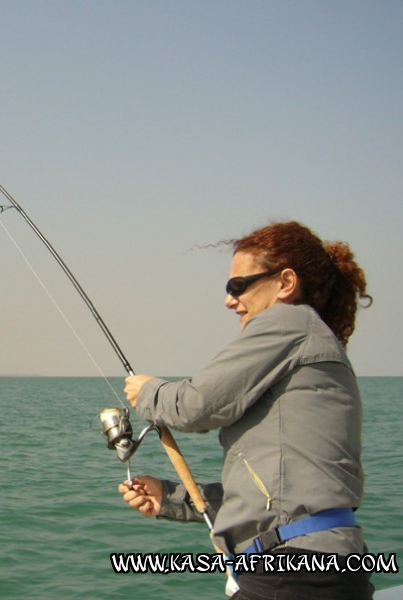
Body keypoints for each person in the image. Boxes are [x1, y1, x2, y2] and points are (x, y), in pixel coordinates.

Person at [119, 221, 374, 599]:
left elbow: (197, 405)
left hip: (292, 574)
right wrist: (169, 499)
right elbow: (274, 498)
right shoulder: (312, 342)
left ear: (285, 283)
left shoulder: (290, 320)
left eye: (238, 286)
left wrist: (149, 392)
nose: (229, 300)